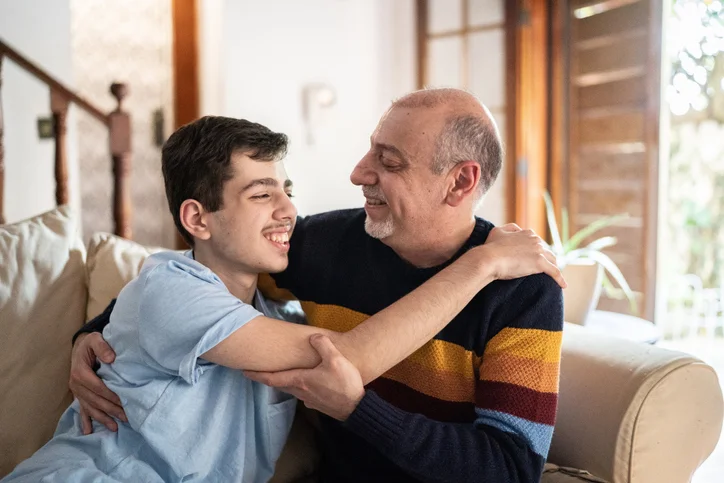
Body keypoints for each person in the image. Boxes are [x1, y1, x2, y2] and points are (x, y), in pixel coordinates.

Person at [4, 115, 563, 483]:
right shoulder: (302, 252)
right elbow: (171, 289)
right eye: (262, 193)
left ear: (460, 183)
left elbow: (513, 467)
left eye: (388, 162)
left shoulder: (521, 290)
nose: (289, 211)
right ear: (197, 217)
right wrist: (89, 335)